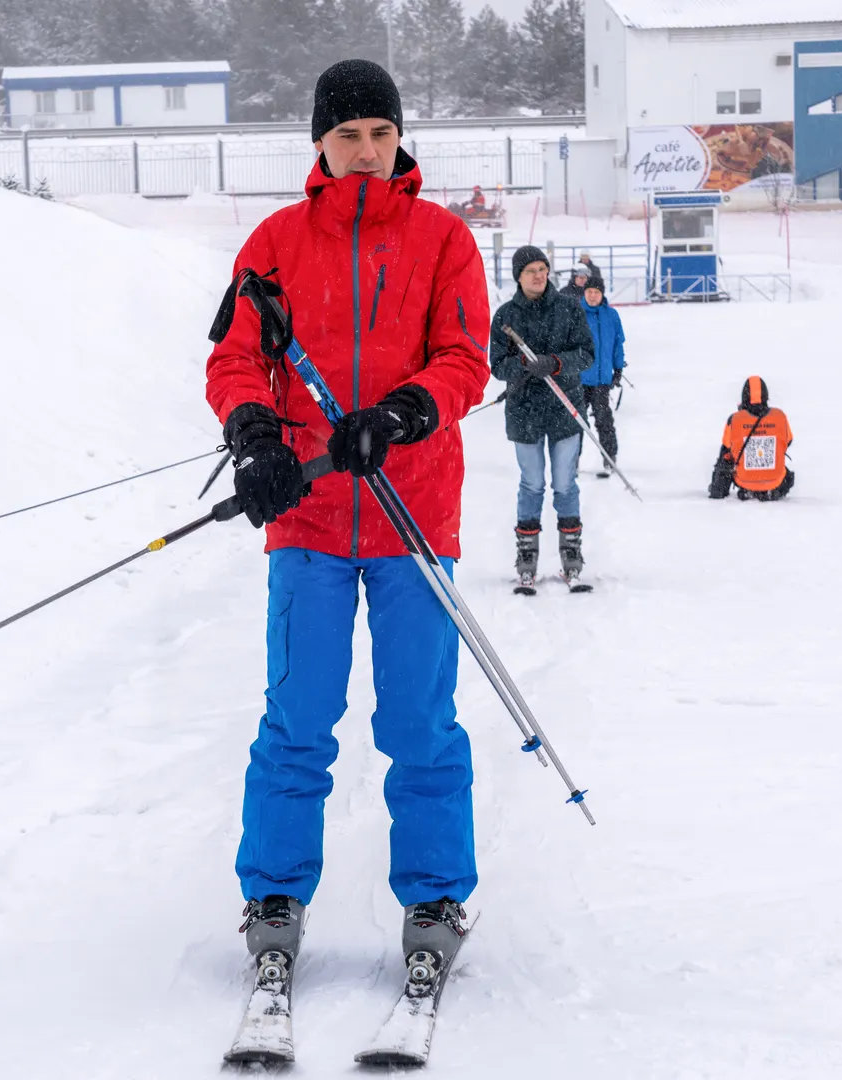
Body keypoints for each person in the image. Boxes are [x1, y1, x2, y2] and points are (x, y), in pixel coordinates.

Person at [203, 58, 491, 981]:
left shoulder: (444, 239)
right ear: (319, 144)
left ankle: (436, 892)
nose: (365, 151)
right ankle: (276, 891)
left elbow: (463, 357)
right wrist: (251, 429)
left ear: (400, 139)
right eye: (347, 135)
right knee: (298, 717)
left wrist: (403, 412)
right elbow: (234, 359)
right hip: (310, 517)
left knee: (418, 720)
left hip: (413, 516)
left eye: (380, 134)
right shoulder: (276, 242)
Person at [492, 245, 592, 584]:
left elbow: (587, 355)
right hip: (524, 413)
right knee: (532, 483)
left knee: (565, 483)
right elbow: (497, 366)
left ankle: (571, 551)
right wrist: (523, 364)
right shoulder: (506, 317)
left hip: (565, 409)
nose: (539, 275)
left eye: (542, 268)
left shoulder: (569, 308)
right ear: (518, 277)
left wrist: (556, 363)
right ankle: (527, 553)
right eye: (531, 270)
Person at [709, 376, 795, 501]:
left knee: (725, 458)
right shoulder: (780, 417)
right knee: (787, 476)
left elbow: (726, 447)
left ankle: (720, 491)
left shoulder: (735, 419)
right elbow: (788, 441)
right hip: (776, 480)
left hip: (744, 480)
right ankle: (768, 489)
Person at [577, 279, 626, 479]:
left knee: (604, 420)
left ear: (602, 294)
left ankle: (609, 457)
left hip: (602, 380)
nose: (592, 295)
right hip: (579, 378)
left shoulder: (611, 315)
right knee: (576, 423)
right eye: (589, 291)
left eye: (596, 292)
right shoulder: (576, 314)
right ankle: (571, 461)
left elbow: (617, 344)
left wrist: (618, 368)